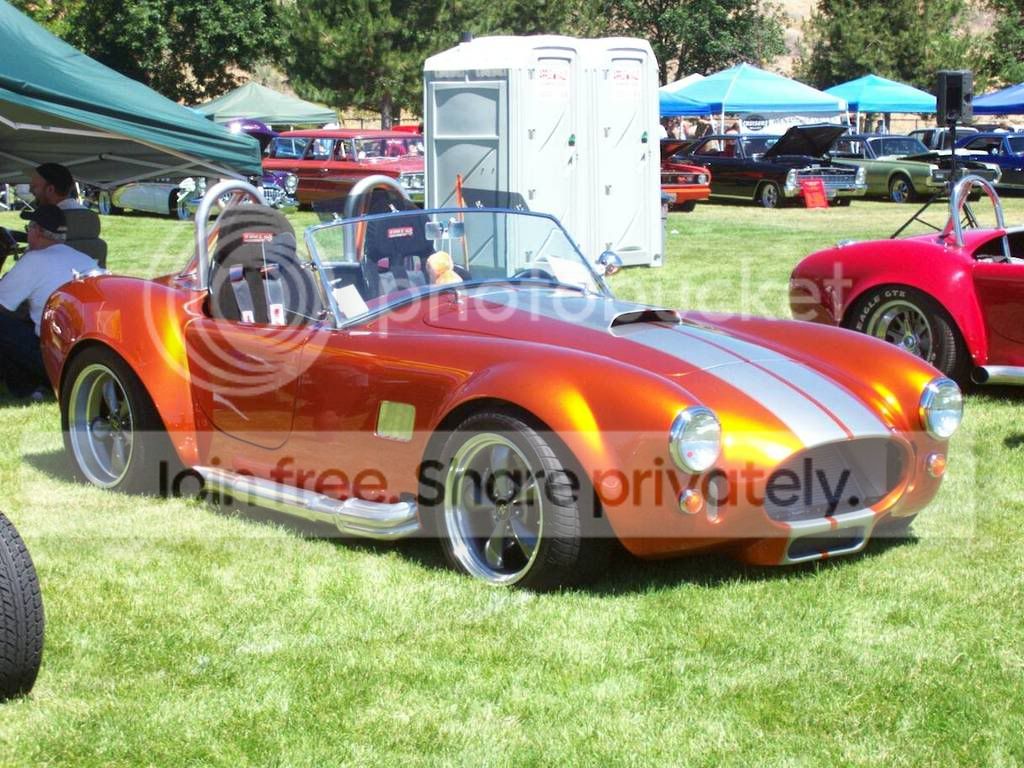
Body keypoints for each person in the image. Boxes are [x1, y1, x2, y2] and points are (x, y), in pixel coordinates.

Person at [0, 205, 98, 398]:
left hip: (55, 359)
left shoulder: (34, 260)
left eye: (29, 228)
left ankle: (27, 389)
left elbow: (2, 304)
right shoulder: (83, 258)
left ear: (36, 231)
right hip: (86, 354)